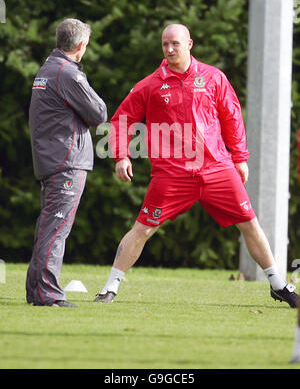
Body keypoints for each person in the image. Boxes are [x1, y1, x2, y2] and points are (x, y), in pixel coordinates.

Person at [94, 23, 299, 309]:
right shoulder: (151, 84)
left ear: (189, 44)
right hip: (172, 174)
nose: (169, 49)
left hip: (217, 168)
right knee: (143, 228)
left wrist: (239, 158)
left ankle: (278, 285)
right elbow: (122, 120)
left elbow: (232, 117)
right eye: (165, 44)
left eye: (175, 43)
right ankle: (110, 287)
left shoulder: (213, 77)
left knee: (250, 224)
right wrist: (121, 155)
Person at [26, 18, 107, 307]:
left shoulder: (47, 69)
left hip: (52, 158)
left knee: (48, 225)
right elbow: (98, 112)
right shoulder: (67, 73)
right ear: (81, 45)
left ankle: (36, 290)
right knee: (56, 228)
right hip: (67, 160)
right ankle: (48, 294)